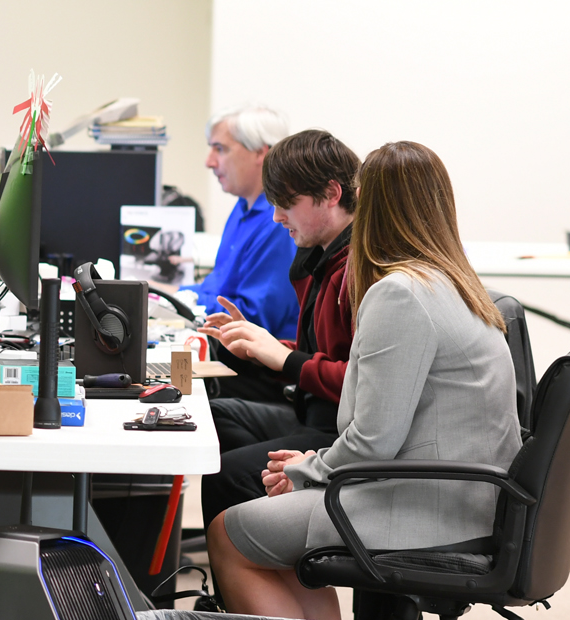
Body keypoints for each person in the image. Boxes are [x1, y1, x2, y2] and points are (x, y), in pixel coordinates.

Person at [207, 141, 521, 619]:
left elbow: (373, 440)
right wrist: (313, 462)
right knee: (273, 529)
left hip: (425, 507)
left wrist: (306, 471)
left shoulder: (399, 293)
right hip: (467, 496)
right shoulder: (455, 282)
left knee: (229, 534)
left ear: (369, 204)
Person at [196, 130, 358, 540]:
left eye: (287, 204)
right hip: (314, 411)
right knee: (213, 418)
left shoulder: (359, 272)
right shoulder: (322, 260)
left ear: (332, 193)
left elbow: (362, 382)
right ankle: (279, 559)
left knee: (226, 476)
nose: (276, 217)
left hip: (340, 430)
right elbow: (321, 354)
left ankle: (261, 583)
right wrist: (261, 346)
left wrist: (284, 358)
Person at [182, 106, 300, 344]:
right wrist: (175, 295)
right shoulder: (243, 207)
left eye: (220, 149)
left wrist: (185, 301)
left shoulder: (277, 221)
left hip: (260, 365)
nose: (209, 162)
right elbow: (218, 285)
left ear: (260, 153)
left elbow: (253, 319)